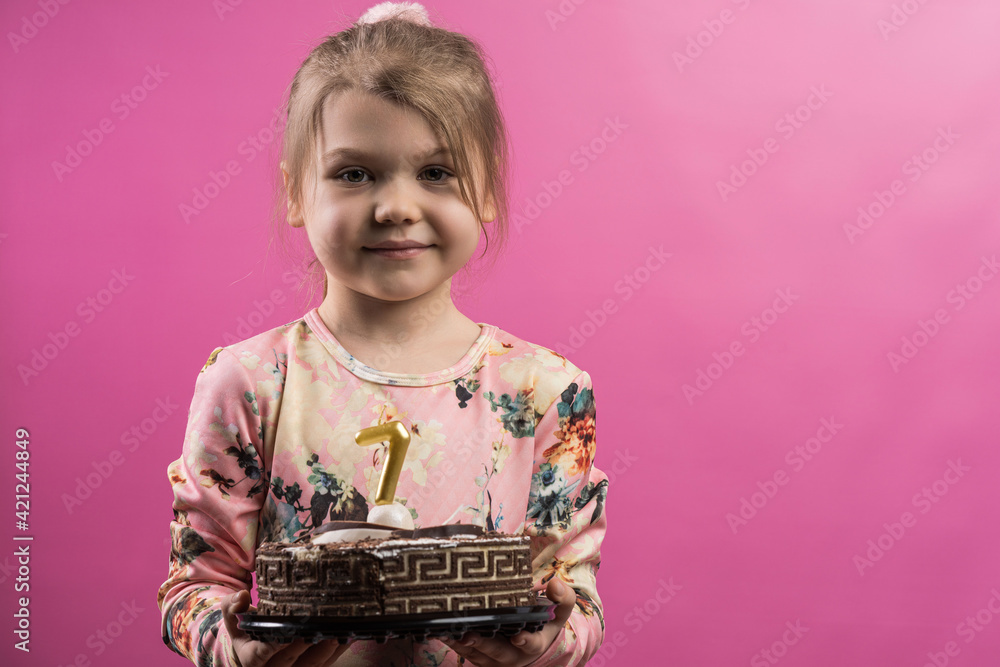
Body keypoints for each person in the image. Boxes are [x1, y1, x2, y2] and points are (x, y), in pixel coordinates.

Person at [156, 3, 607, 665]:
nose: (396, 206)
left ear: (484, 189)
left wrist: (550, 641)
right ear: (296, 193)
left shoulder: (548, 392)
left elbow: (576, 600)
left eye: (436, 172)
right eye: (353, 173)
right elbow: (193, 588)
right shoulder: (249, 382)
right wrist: (237, 646)